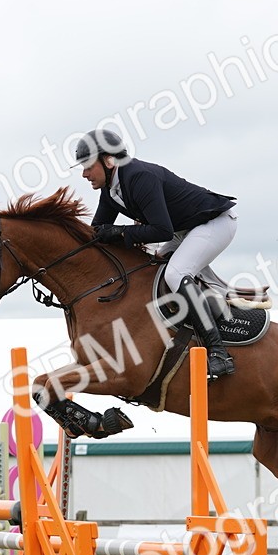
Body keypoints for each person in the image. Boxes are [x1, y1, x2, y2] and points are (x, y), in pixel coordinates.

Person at [73, 128, 239, 379]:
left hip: (213, 224)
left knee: (175, 274)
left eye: (87, 165)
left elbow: (161, 230)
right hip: (183, 231)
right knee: (151, 268)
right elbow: (97, 232)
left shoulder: (139, 176)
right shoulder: (110, 189)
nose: (84, 174)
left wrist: (118, 231)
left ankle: (218, 353)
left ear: (108, 160)